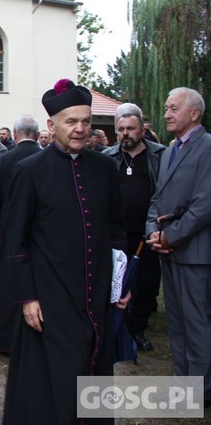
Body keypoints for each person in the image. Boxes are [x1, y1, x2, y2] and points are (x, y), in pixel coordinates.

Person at [2, 79, 126, 423]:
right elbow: (15, 241)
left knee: (94, 373)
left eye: (86, 121)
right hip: (49, 295)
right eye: (71, 121)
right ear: (51, 124)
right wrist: (27, 297)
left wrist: (119, 284)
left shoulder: (104, 168)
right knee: (53, 379)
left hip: (96, 293)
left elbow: (117, 231)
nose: (80, 129)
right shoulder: (29, 171)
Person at [146, 87, 211, 405]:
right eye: (167, 108)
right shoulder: (171, 150)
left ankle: (200, 391)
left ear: (194, 114)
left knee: (197, 324)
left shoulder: (208, 148)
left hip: (195, 254)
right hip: (168, 253)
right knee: (177, 324)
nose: (167, 113)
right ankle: (184, 387)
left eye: (173, 108)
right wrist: (152, 232)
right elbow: (157, 199)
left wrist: (171, 237)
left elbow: (204, 205)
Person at [102, 103, 165, 351]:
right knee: (116, 281)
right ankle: (117, 327)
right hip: (115, 233)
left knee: (147, 284)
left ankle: (138, 329)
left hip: (147, 233)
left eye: (131, 128)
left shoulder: (159, 156)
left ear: (142, 129)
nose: (125, 133)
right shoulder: (107, 158)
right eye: (121, 129)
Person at [0, 115, 41, 352]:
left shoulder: (4, 160)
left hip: (9, 230)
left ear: (15, 134)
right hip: (40, 231)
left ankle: (1, 339)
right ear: (36, 134)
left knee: (5, 283)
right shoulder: (46, 157)